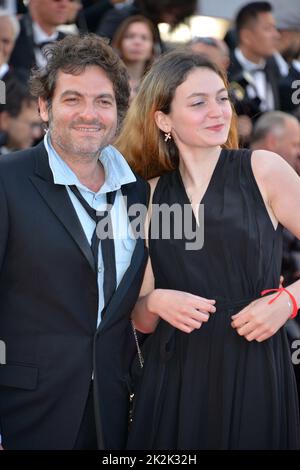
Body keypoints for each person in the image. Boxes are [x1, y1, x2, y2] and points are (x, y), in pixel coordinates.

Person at [115, 50, 300, 449]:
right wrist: (155, 302)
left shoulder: (263, 170)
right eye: (198, 103)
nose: (218, 111)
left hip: (254, 365)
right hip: (174, 374)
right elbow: (140, 318)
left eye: (222, 98)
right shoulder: (145, 198)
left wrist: (289, 300)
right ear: (163, 119)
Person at [0, 33, 149, 450]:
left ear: (118, 111)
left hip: (115, 413)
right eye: (73, 99)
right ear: (45, 107)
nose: (90, 114)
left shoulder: (137, 192)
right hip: (25, 413)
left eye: (103, 101)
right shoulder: (7, 181)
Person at [112, 15, 156, 102]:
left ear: (153, 47)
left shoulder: (158, 85)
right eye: (130, 36)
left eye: (144, 38)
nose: (137, 42)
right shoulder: (107, 81)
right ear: (119, 43)